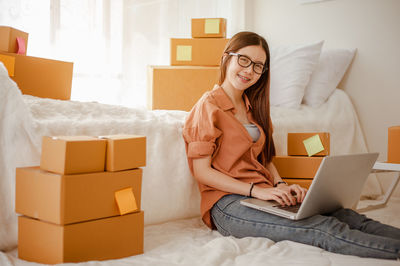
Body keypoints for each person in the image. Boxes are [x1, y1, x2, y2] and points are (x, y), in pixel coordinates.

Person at [182, 31, 400, 260]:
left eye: (258, 66)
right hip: (228, 204)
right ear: (227, 57)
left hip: (263, 194)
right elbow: (202, 171)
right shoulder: (207, 106)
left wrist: (282, 185)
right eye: (244, 60)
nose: (249, 71)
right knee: (323, 228)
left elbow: (264, 159)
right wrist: (258, 191)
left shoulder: (254, 108)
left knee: (349, 216)